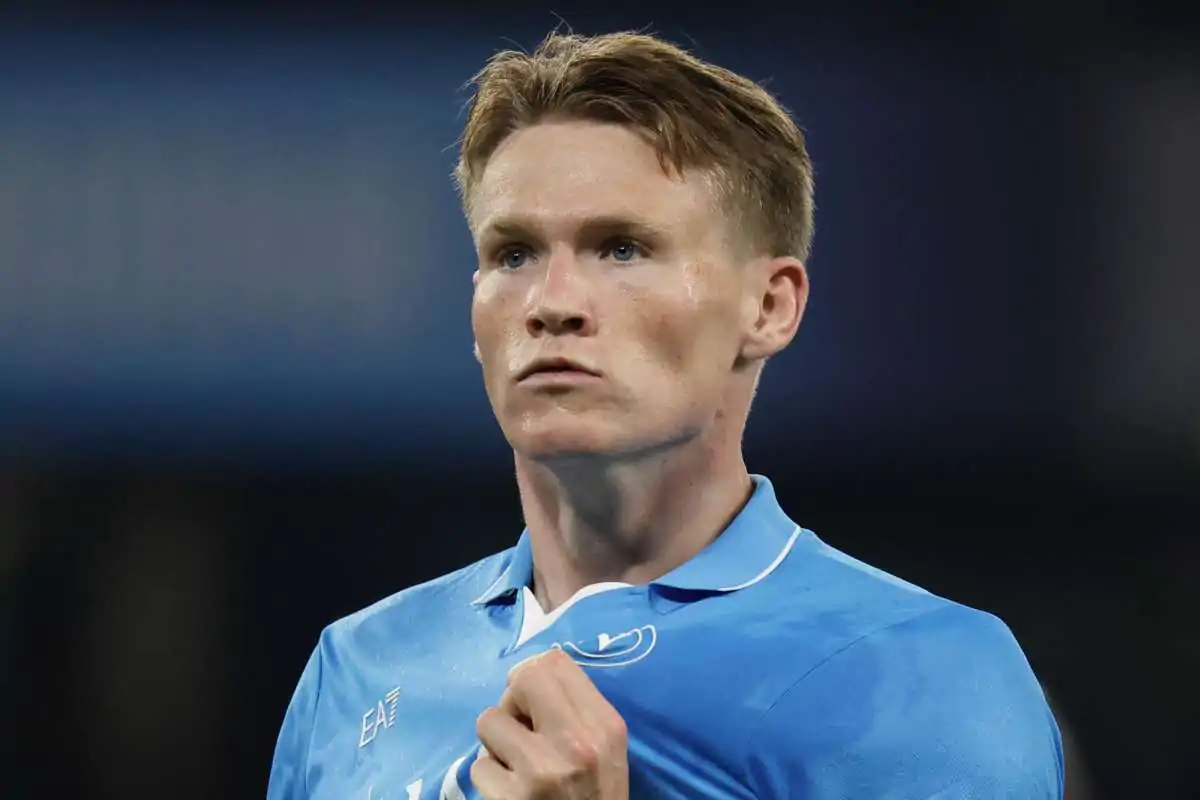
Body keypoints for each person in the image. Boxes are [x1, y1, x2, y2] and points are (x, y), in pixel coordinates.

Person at [267, 30, 1064, 800]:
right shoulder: (358, 667)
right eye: (513, 254)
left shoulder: (923, 673)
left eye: (622, 248)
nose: (551, 302)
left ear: (769, 307)